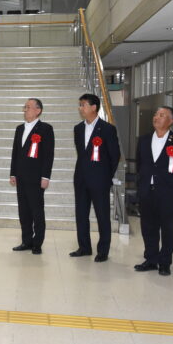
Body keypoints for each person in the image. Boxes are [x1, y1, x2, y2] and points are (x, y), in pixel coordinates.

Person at [134, 107, 173, 276]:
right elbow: (140, 164)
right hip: (146, 191)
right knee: (148, 227)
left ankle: (165, 262)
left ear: (171, 121)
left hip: (167, 192)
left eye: (161, 115)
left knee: (167, 228)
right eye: (155, 115)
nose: (156, 118)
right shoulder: (144, 140)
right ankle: (151, 259)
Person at [70, 93, 121, 262]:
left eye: (83, 104)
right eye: (80, 105)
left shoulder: (107, 129)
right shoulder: (78, 128)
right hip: (81, 179)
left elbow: (115, 156)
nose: (80, 108)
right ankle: (84, 247)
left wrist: (106, 177)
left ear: (94, 107)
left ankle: (103, 251)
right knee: (81, 214)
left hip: (100, 180)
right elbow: (82, 154)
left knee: (102, 216)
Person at [10, 98, 55, 255]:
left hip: (36, 178)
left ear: (38, 110)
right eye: (24, 107)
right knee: (23, 211)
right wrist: (13, 173)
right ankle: (26, 241)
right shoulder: (19, 129)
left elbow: (48, 155)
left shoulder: (46, 129)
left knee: (37, 211)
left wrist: (46, 177)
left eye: (28, 107)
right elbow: (15, 153)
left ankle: (37, 243)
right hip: (21, 177)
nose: (25, 110)